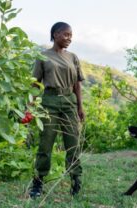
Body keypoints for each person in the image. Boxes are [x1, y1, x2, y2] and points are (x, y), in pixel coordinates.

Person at [29, 22, 85, 198]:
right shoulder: (43, 56)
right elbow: (35, 83)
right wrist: (30, 106)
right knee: (46, 144)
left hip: (69, 102)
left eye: (71, 35)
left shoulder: (73, 57)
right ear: (55, 34)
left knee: (73, 144)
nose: (69, 38)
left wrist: (80, 107)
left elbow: (77, 84)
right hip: (49, 101)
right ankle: (38, 183)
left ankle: (76, 181)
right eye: (66, 34)